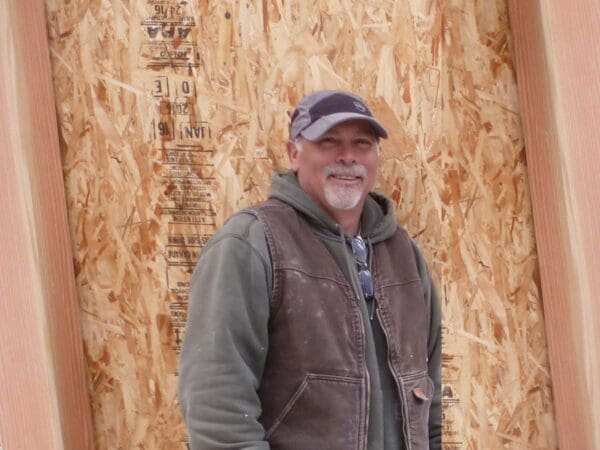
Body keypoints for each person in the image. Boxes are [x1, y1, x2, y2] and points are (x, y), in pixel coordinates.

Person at [178, 90, 442, 450]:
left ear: (377, 156)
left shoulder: (403, 255)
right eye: (328, 142)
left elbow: (428, 407)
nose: (347, 157)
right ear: (293, 153)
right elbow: (218, 407)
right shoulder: (251, 244)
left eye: (362, 143)